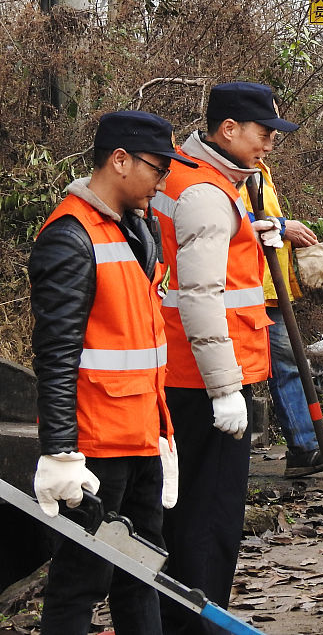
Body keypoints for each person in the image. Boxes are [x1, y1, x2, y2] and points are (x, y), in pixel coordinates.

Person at [29, 110, 195, 635]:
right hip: (97, 446)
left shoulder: (136, 231)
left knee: (140, 571)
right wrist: (59, 453)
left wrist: (160, 432)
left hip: (142, 435)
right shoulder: (69, 238)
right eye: (157, 168)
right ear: (119, 160)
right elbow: (55, 356)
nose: (163, 181)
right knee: (81, 577)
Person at [151, 82, 297, 634]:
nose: (269, 146)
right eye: (263, 134)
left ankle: (177, 616)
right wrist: (224, 388)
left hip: (175, 369)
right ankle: (201, 621)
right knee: (211, 517)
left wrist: (248, 230)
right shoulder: (208, 194)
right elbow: (201, 294)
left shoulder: (187, 173)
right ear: (228, 129)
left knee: (179, 507)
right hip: (207, 377)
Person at [242, 163, 323, 478]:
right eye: (265, 131)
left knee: (288, 364)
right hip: (244, 289)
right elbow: (228, 221)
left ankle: (304, 447)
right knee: (260, 371)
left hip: (266, 289)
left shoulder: (258, 169)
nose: (271, 140)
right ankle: (300, 447)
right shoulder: (225, 172)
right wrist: (282, 226)